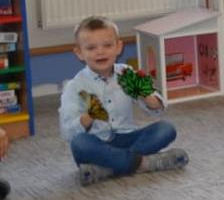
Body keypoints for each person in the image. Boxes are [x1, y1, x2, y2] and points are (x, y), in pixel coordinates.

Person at [58, 16, 186, 186]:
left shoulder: (126, 73)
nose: (100, 52)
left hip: (128, 137)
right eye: (91, 48)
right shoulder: (75, 86)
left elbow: (157, 110)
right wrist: (89, 116)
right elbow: (68, 132)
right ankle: (144, 163)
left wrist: (144, 94)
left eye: (107, 45)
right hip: (98, 142)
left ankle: (109, 168)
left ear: (119, 47)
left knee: (166, 129)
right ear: (79, 53)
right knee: (80, 144)